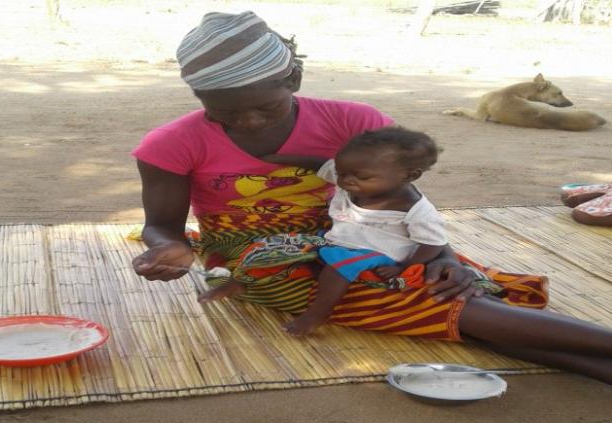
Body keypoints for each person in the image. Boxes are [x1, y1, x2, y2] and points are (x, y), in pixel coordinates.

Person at [131, 10, 612, 384]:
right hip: (258, 254)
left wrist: (444, 255)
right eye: (223, 113)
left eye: (265, 106)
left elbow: (405, 199)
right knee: (435, 301)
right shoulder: (169, 144)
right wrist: (170, 246)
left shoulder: (354, 121)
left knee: (453, 285)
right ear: (199, 97)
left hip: (363, 232)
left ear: (293, 78)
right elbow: (162, 225)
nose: (249, 122)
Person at [199, 126, 454, 336]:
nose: (347, 181)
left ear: (410, 175)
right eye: (343, 173)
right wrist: (280, 159)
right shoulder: (352, 178)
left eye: (362, 177)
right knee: (275, 244)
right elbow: (319, 164)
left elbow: (433, 243)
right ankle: (238, 282)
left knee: (337, 268)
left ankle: (316, 314)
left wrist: (405, 267)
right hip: (335, 240)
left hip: (377, 252)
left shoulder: (416, 209)